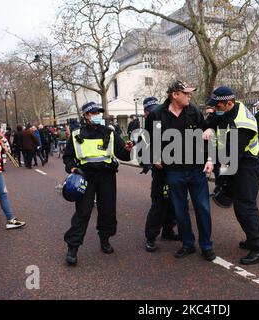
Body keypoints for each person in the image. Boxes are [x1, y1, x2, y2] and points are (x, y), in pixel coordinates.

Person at [146, 80, 216, 262]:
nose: (189, 96)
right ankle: (187, 244)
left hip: (196, 169)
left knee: (202, 208)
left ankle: (207, 246)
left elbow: (206, 135)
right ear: (175, 94)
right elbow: (148, 140)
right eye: (186, 93)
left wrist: (209, 158)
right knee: (180, 209)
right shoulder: (156, 115)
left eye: (190, 93)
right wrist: (155, 157)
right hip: (173, 171)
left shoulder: (193, 111)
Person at [63, 102, 133, 266]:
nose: (97, 115)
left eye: (98, 112)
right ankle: (72, 247)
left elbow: (122, 154)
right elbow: (67, 158)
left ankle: (105, 239)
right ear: (86, 116)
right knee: (83, 212)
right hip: (86, 177)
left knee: (108, 211)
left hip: (106, 176)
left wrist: (128, 150)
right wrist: (72, 168)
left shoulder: (109, 132)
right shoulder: (76, 134)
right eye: (93, 113)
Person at [204, 86, 259, 265]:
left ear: (229, 103)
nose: (215, 110)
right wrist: (209, 126)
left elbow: (229, 156)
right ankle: (251, 238)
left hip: (247, 164)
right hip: (237, 162)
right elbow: (216, 122)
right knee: (240, 206)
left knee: (245, 206)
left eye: (218, 107)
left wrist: (212, 163)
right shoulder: (230, 109)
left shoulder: (242, 125)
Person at [140, 97, 179, 253]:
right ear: (145, 113)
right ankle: (150, 238)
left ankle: (168, 231)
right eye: (151, 111)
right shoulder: (145, 130)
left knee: (174, 203)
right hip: (160, 172)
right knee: (159, 205)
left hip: (175, 169)